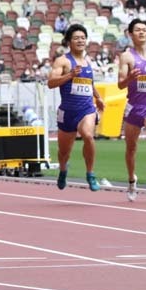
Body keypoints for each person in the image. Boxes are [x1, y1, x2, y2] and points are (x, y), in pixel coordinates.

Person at [47, 24, 104, 192]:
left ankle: (90, 174)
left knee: (88, 135)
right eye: (76, 38)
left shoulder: (88, 62)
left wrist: (98, 97)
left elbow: (88, 84)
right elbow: (51, 83)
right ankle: (63, 170)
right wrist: (70, 75)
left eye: (83, 38)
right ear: (69, 42)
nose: (80, 41)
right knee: (64, 151)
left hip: (86, 109)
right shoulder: (63, 61)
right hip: (67, 112)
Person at [117, 18, 146, 202]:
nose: (141, 32)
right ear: (130, 34)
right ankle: (131, 181)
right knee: (131, 148)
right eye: (137, 30)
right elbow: (120, 85)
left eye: (144, 29)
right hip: (134, 108)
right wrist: (130, 79)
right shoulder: (127, 56)